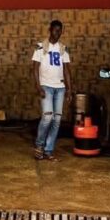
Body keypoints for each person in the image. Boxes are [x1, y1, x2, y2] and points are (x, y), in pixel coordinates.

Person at [32, 19, 72, 161]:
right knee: (47, 117)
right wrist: (38, 87)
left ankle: (49, 150)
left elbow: (67, 70)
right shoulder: (40, 47)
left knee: (57, 119)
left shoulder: (63, 49)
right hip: (46, 87)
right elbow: (35, 69)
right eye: (55, 30)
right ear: (50, 30)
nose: (58, 33)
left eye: (60, 31)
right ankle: (39, 145)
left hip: (60, 88)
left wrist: (69, 89)